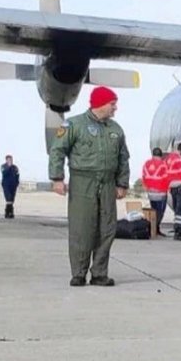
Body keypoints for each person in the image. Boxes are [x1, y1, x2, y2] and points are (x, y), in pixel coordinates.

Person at [48, 86, 130, 287]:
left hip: (108, 183)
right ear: (101, 104)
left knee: (107, 229)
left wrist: (122, 184)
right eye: (112, 104)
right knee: (81, 228)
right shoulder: (73, 125)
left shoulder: (116, 130)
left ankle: (99, 273)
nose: (115, 108)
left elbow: (123, 159)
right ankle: (78, 273)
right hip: (83, 181)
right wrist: (57, 178)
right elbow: (58, 150)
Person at [141, 146, 169, 236]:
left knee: (154, 211)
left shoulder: (146, 164)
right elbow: (166, 178)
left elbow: (144, 177)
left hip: (151, 193)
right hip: (161, 193)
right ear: (161, 155)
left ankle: (153, 229)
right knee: (160, 212)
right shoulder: (163, 164)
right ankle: (155, 228)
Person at [0, 154, 20, 219]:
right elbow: (4, 173)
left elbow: (17, 175)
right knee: (8, 198)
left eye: (11, 159)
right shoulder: (3, 166)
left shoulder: (15, 167)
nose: (10, 161)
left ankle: (10, 213)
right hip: (6, 184)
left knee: (12, 199)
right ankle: (8, 212)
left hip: (13, 185)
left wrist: (17, 183)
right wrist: (9, 167)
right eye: (8, 159)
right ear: (6, 160)